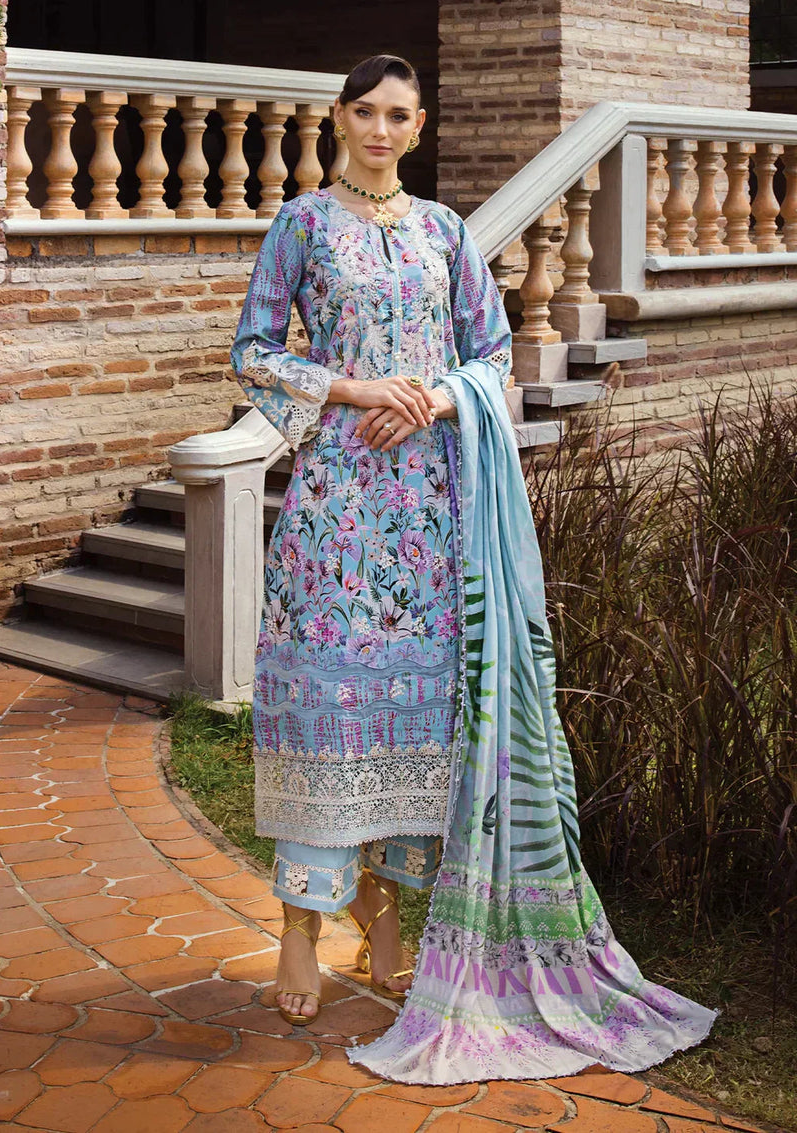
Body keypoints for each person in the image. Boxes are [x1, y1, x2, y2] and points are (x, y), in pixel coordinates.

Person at [231, 53, 717, 1085]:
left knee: (420, 714)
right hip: (335, 510)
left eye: (398, 114)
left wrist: (442, 398)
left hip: (433, 506)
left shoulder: (446, 232)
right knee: (327, 707)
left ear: (418, 126)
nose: (380, 129)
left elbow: (491, 353)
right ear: (339, 119)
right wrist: (360, 390)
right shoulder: (301, 226)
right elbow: (255, 352)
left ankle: (386, 912)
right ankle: (300, 929)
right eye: (365, 111)